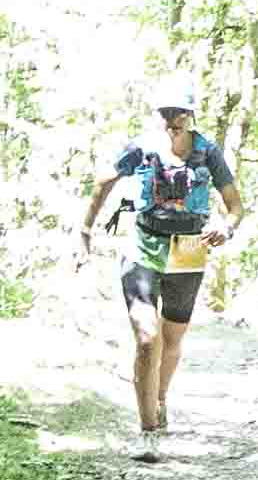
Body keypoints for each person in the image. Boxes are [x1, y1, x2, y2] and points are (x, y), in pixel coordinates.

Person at [76, 97, 236, 445]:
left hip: (189, 251)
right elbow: (104, 181)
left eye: (179, 113)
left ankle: (160, 399)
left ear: (190, 115)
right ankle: (147, 430)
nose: (171, 120)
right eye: (165, 113)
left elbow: (234, 205)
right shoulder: (142, 148)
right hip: (143, 247)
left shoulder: (208, 152)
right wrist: (85, 232)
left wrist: (227, 226)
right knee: (148, 338)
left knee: (172, 339)